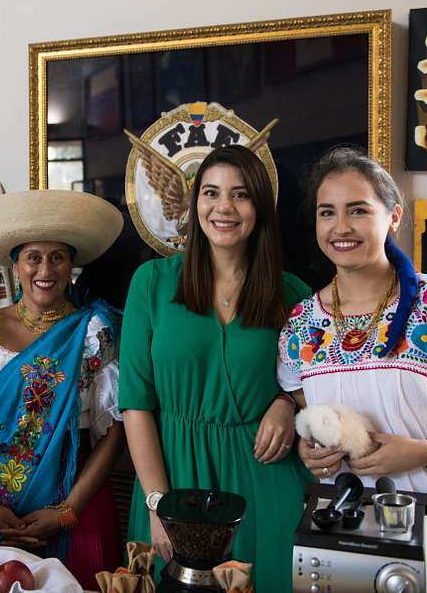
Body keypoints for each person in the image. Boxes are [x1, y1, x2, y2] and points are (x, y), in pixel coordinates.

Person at [278, 146, 427, 593]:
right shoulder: (301, 324)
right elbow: (307, 413)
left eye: (358, 210)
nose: (340, 227)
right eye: (326, 212)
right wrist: (308, 448)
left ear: (393, 216)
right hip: (347, 540)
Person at [119, 145, 312, 590]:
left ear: (260, 208)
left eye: (240, 195)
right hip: (172, 478)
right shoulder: (150, 284)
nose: (224, 207)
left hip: (266, 479)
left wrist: (286, 403)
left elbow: (322, 384)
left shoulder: (293, 294)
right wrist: (156, 504)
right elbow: (135, 401)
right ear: (195, 204)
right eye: (211, 193)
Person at [0, 189, 126, 589]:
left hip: (78, 507)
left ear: (71, 266)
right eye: (33, 257)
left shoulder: (93, 333)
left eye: (57, 257)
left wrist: (68, 511)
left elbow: (116, 433)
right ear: (15, 265)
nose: (45, 269)